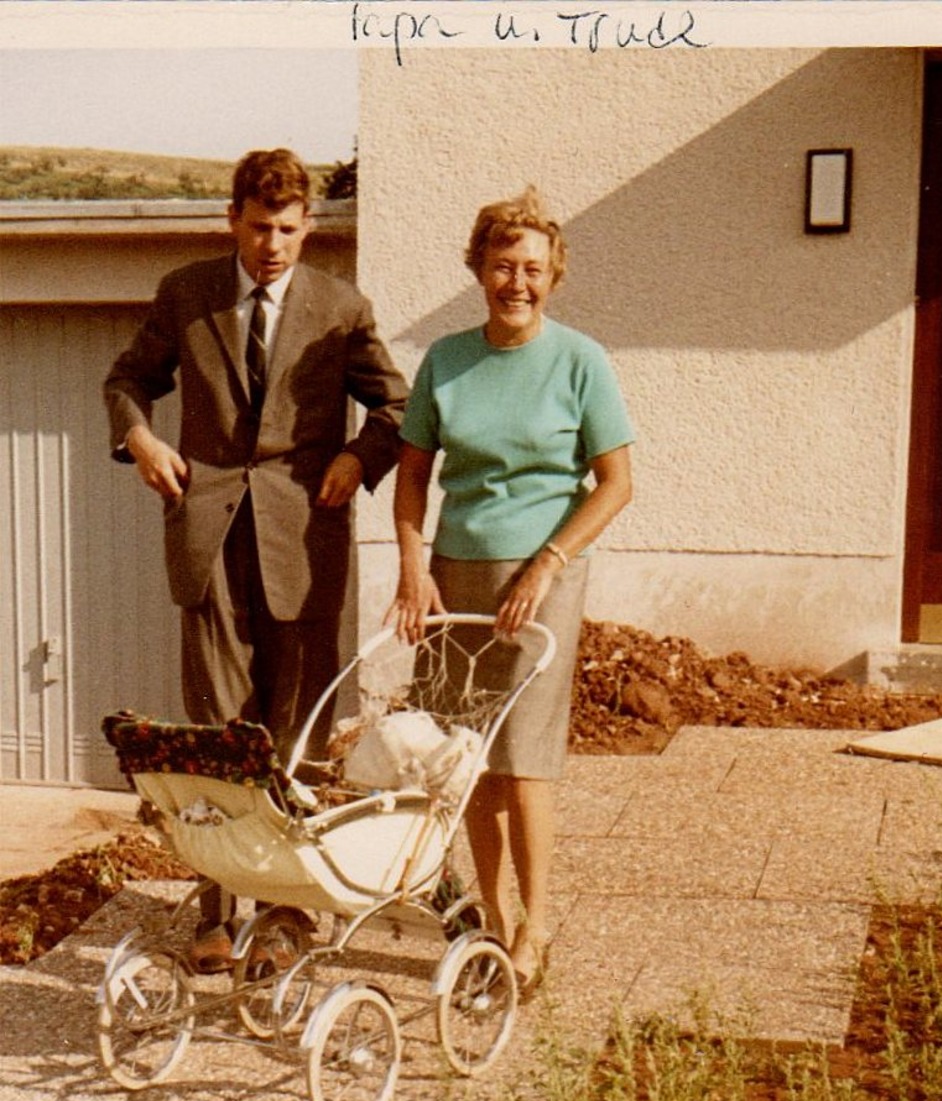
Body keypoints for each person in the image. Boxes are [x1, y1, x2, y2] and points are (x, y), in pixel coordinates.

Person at [105, 148, 409, 972]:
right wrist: (138, 438)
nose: (272, 244)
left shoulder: (340, 308)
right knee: (214, 730)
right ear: (231, 219)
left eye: (287, 228)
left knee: (296, 725)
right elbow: (128, 378)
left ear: (307, 227)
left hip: (302, 539)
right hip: (207, 537)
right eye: (258, 226)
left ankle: (286, 911)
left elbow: (397, 406)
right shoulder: (188, 293)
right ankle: (213, 910)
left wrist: (359, 457)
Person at [387, 187, 634, 997]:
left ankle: (535, 928)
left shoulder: (580, 361)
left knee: (524, 760)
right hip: (454, 577)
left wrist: (549, 561)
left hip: (542, 582)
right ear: (478, 270)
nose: (516, 281)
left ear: (553, 275)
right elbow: (414, 476)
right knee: (466, 760)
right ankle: (490, 926)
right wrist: (412, 565)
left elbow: (615, 483)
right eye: (502, 265)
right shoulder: (446, 360)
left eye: (532, 267)